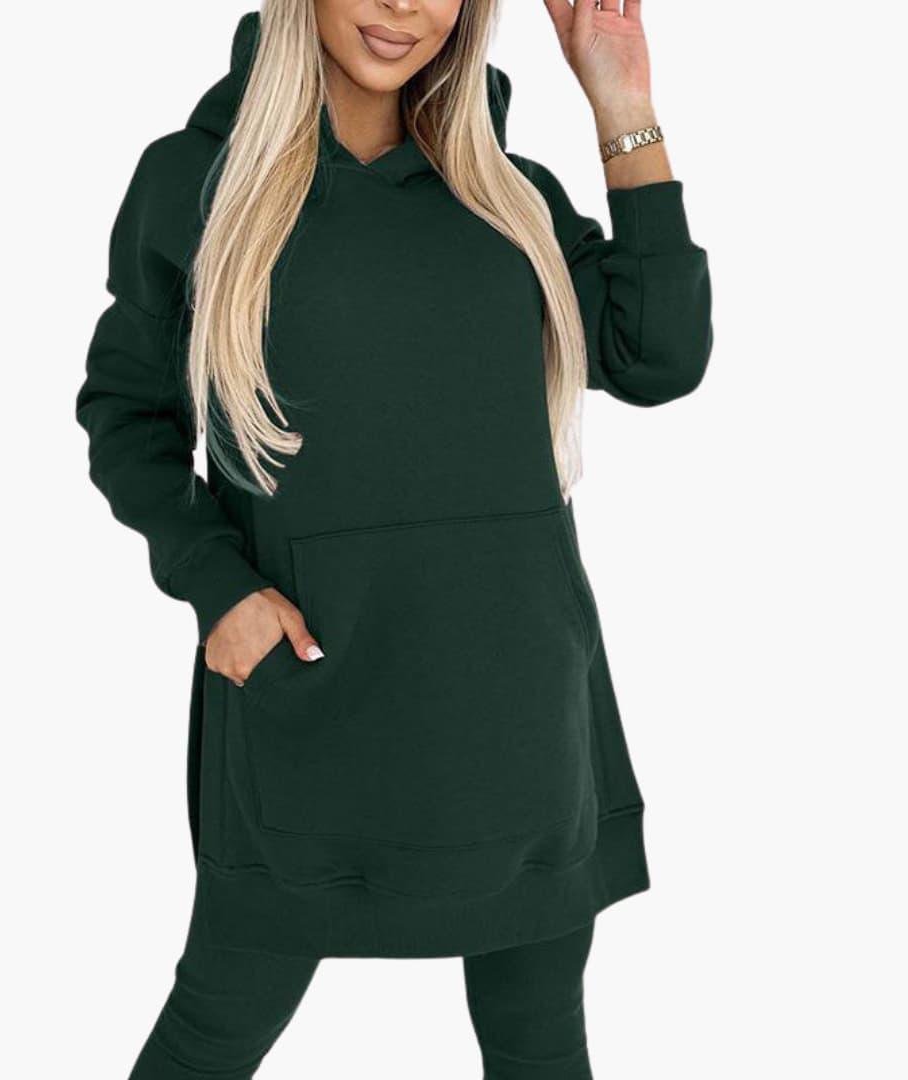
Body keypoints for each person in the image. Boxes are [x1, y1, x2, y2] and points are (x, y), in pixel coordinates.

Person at [76, 2, 713, 1076]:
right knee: (214, 1032)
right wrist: (216, 584)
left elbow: (660, 356)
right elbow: (127, 414)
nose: (405, 6)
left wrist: (623, 105)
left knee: (539, 1040)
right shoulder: (195, 183)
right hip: (309, 702)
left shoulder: (510, 196)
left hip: (517, 718)